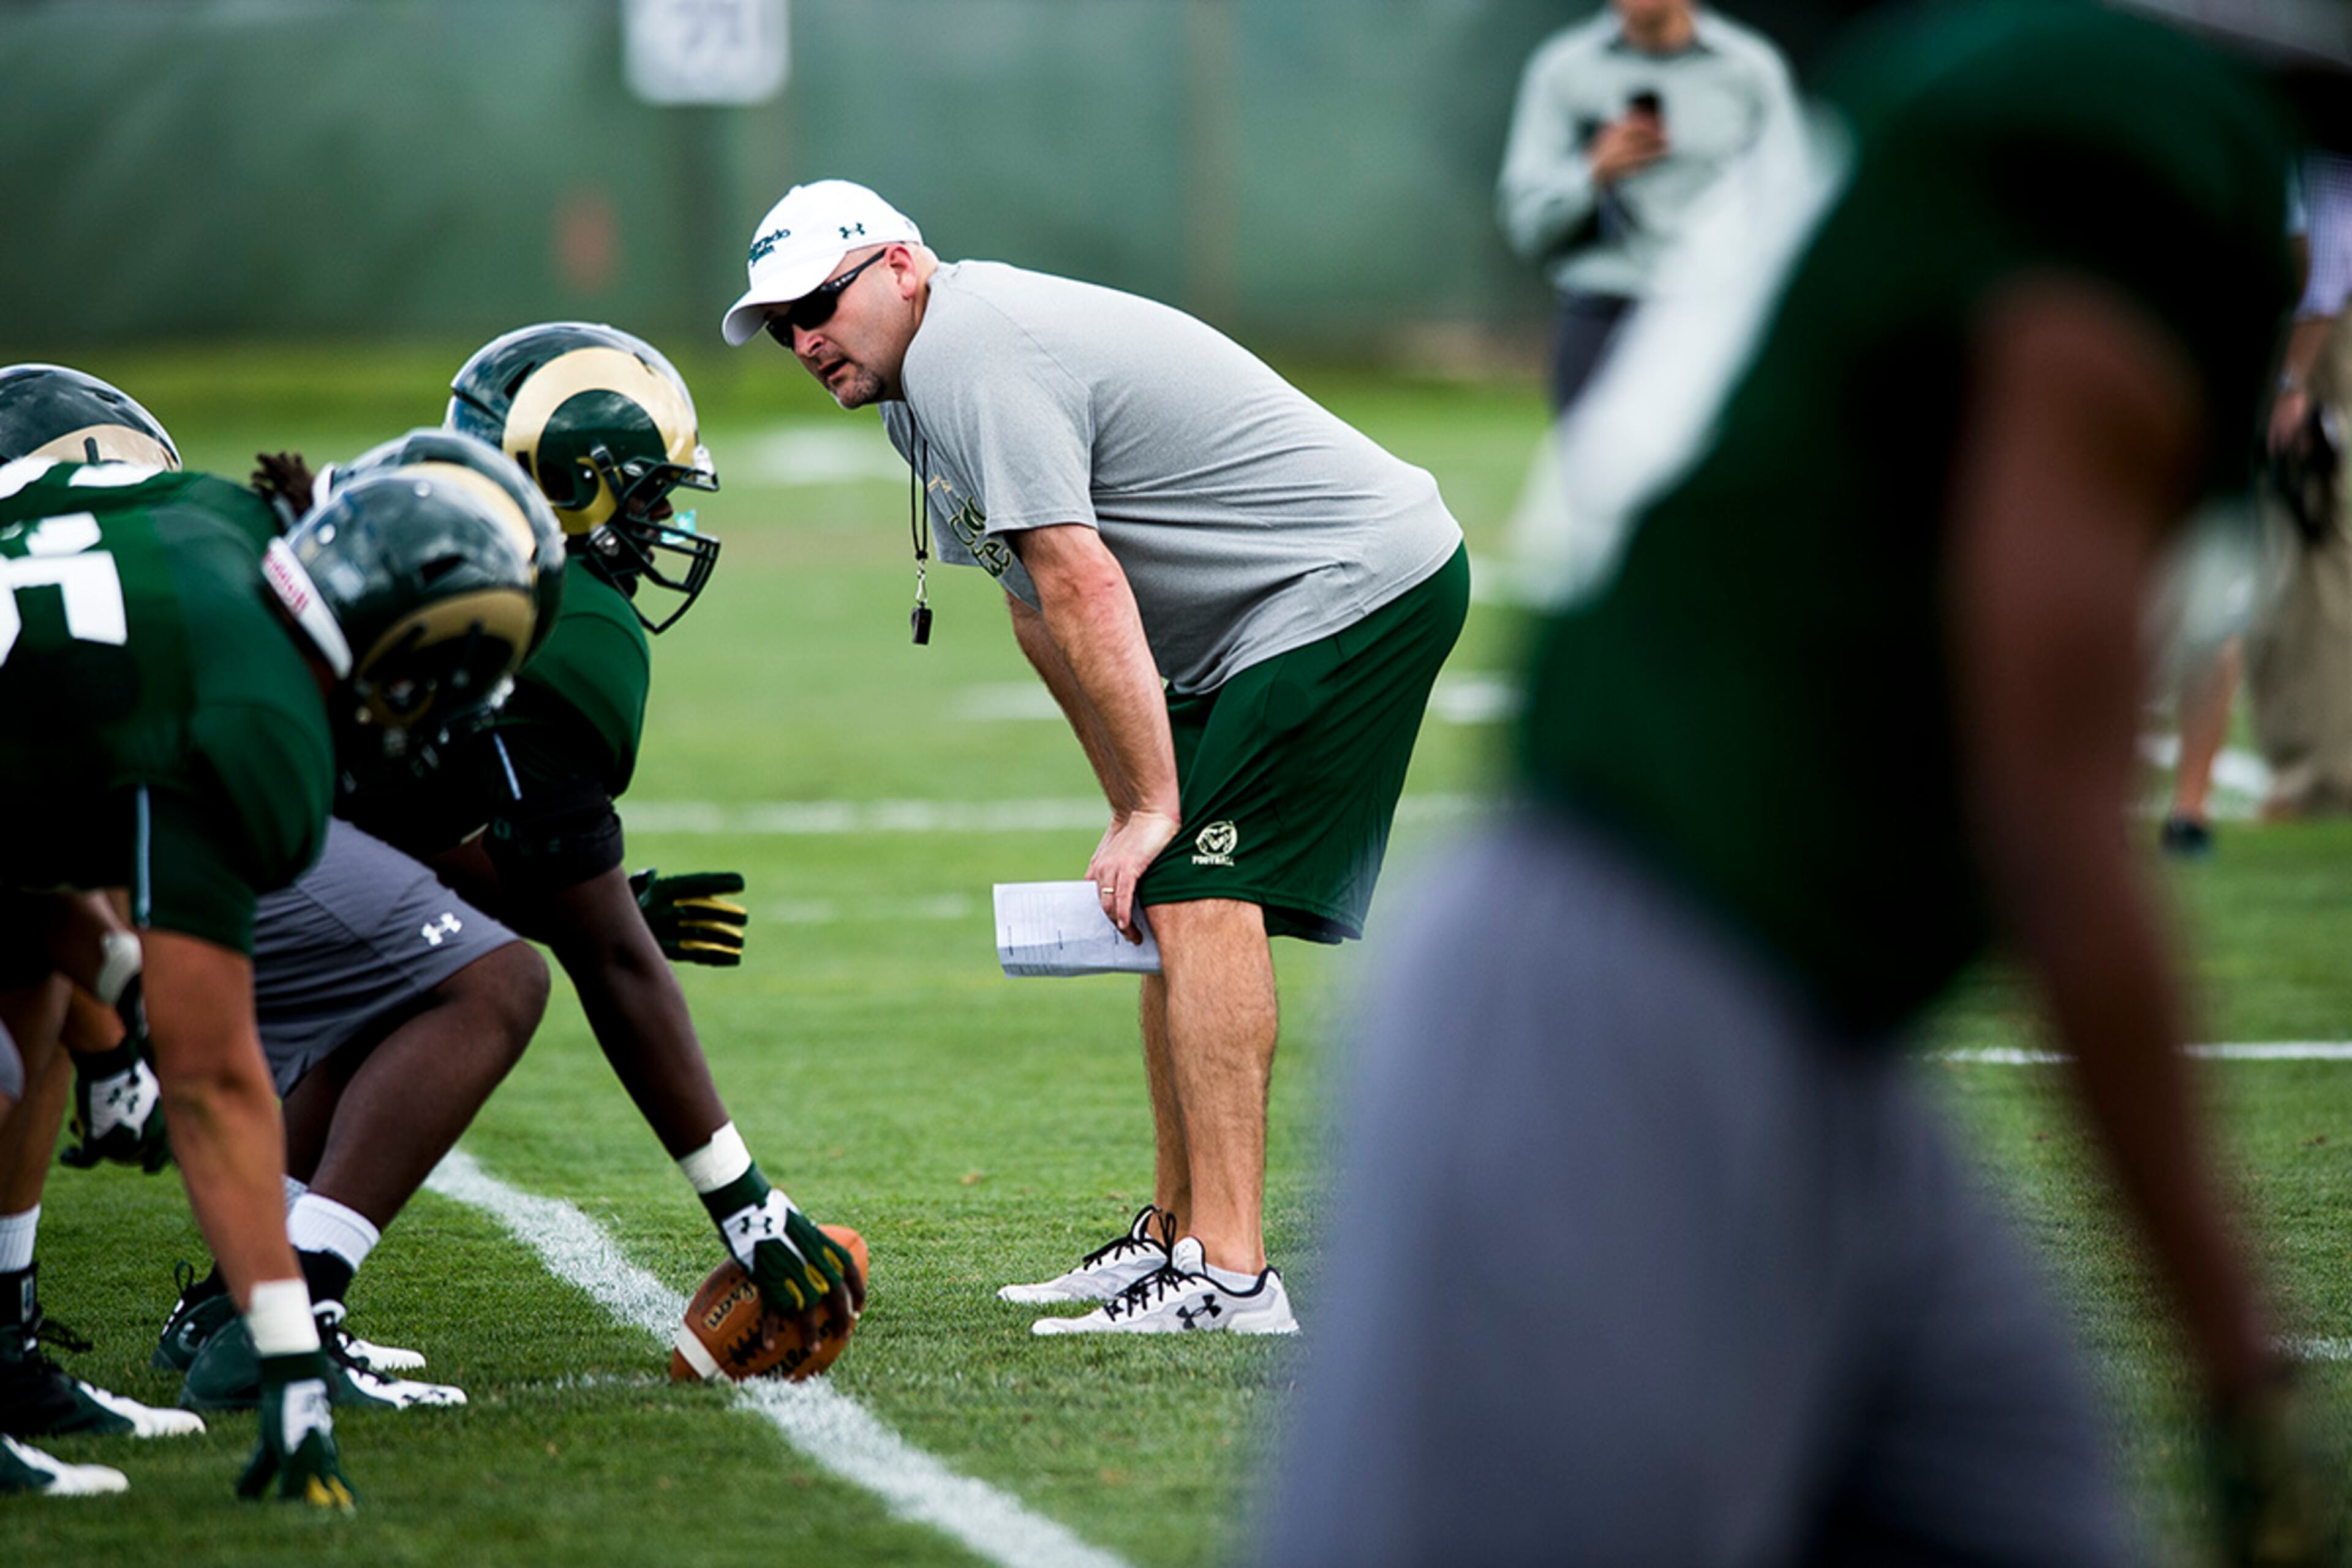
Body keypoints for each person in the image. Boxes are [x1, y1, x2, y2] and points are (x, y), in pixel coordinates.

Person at [1266, 2, 2342, 1561]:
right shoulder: (2129, 132)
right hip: (1626, 992)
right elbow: (2054, 821)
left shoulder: (1999, 74)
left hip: (1816, 1017)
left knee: (2027, 1491)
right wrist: (2233, 1354)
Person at [722, 181, 1469, 1333]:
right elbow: (1035, 608)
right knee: (1165, 893)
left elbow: (1083, 578)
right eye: (782, 324)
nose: (806, 337)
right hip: (1267, 615)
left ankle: (1231, 1276)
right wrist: (1134, 804)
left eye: (820, 301)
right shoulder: (917, 391)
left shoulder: (974, 351)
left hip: (1351, 586)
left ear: (904, 267)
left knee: (1201, 889)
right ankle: (1177, 1239)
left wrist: (1156, 806)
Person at [151, 325, 864, 1365]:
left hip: (180, 808)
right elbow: (610, 962)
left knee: (406, 957)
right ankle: (288, 1322)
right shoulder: (560, 628)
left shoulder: (408, 508)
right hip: (176, 837)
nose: (665, 523)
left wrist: (566, 889)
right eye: (649, 494)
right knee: (495, 985)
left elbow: (392, 836)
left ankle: (233, 1305)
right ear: (570, 486)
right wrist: (746, 1207)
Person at [0, 408, 541, 1504]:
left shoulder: (219, 513)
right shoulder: (256, 717)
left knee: (24, 998)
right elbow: (210, 1080)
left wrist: (112, 998)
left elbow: (29, 834)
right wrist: (291, 1361)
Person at [1497, 0, 1798, 415]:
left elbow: (1788, 205)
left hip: (1709, 308)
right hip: (1601, 309)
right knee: (1598, 477)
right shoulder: (1563, 68)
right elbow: (1525, 223)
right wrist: (1592, 171)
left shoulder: (1750, 69)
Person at [2247, 153, 2352, 819]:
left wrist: (2291, 384)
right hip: (2309, 326)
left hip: (2314, 336)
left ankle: (2322, 776)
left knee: (2311, 545)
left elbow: (2328, 257)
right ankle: (2307, 765)